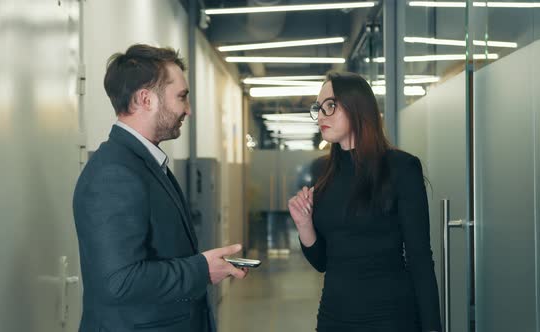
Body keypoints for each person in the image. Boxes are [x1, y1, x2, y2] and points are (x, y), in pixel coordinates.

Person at [72, 44, 247, 332]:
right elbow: (120, 281)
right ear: (146, 99)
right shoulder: (114, 173)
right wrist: (202, 269)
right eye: (181, 97)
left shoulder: (144, 163)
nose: (187, 111)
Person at [288, 72, 441, 332]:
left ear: (358, 107)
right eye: (318, 108)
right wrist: (304, 225)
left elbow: (420, 261)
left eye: (330, 106)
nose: (322, 116)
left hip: (390, 319)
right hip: (333, 319)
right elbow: (323, 261)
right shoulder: (323, 174)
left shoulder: (401, 168)